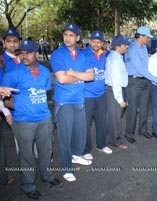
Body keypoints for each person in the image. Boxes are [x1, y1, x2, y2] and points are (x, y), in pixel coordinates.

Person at [2, 39, 62, 199]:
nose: (24, 56)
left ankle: (48, 176)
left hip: (44, 118)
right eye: (21, 53)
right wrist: (21, 107)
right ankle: (29, 185)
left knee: (46, 150)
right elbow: (6, 99)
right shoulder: (12, 74)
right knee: (26, 155)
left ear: (36, 53)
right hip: (23, 121)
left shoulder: (43, 72)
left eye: (28, 53)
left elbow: (44, 93)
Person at [50, 23, 94, 182]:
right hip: (64, 102)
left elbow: (91, 77)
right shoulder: (58, 54)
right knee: (65, 136)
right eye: (65, 35)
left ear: (77, 37)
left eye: (71, 35)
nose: (67, 38)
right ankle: (66, 168)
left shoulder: (83, 56)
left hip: (79, 99)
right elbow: (61, 79)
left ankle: (76, 155)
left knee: (79, 133)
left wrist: (73, 73)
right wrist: (81, 75)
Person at [124, 26, 157, 143]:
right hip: (134, 81)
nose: (149, 39)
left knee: (144, 107)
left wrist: (154, 80)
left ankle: (142, 130)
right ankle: (129, 133)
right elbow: (139, 68)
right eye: (148, 37)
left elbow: (146, 67)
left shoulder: (144, 48)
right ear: (141, 36)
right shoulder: (132, 48)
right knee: (133, 108)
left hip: (145, 81)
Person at [82, 30, 112, 160]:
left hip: (101, 94)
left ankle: (101, 144)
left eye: (99, 42)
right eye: (94, 41)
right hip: (87, 95)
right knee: (85, 124)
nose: (96, 44)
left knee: (102, 122)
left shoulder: (104, 56)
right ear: (90, 41)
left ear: (102, 43)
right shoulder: (83, 55)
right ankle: (85, 149)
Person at [105, 35, 129, 149]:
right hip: (114, 90)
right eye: (125, 45)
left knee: (114, 117)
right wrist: (120, 99)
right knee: (115, 118)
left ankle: (112, 138)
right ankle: (116, 141)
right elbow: (116, 81)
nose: (127, 47)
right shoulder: (115, 60)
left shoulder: (116, 57)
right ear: (118, 46)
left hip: (113, 90)